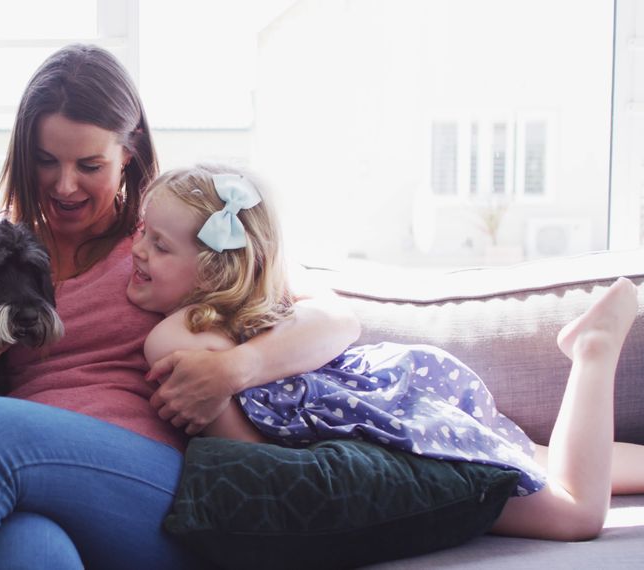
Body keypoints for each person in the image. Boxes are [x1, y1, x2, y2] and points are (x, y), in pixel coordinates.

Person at [0, 44, 361, 568]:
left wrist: (238, 367)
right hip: (22, 490)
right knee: (25, 549)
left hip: (143, 489)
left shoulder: (167, 244)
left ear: (128, 154)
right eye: (46, 160)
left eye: (90, 165)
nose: (64, 186)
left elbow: (336, 318)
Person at [127, 162, 644, 541]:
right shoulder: (259, 304)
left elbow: (254, 458)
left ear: (216, 270)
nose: (137, 251)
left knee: (575, 514)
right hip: (397, 397)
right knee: (536, 458)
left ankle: (594, 349)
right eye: (143, 234)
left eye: (160, 245)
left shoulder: (177, 338)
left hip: (399, 438)